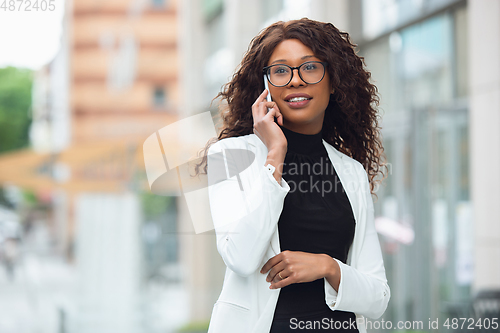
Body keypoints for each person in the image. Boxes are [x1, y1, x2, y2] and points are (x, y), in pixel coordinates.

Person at [195, 18, 390, 333]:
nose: (295, 81)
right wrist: (275, 153)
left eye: (310, 67)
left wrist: (326, 266)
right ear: (266, 86)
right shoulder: (230, 156)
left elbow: (378, 296)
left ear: (333, 80)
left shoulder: (350, 172)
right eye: (281, 71)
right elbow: (241, 257)